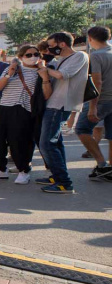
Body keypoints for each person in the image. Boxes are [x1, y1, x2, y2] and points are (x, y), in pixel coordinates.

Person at [36, 31, 89, 193]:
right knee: (56, 142)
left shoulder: (80, 56)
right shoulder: (61, 59)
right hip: (54, 103)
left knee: (46, 143)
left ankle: (64, 183)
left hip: (60, 105)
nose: (50, 49)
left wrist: (44, 69)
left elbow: (62, 75)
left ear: (62, 44)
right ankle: (57, 176)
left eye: (52, 46)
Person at [0, 45, 41, 184]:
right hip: (5, 106)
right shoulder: (13, 69)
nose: (32, 57)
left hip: (23, 108)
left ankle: (23, 171)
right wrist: (9, 73)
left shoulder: (41, 72)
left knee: (19, 140)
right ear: (21, 57)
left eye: (36, 54)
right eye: (28, 55)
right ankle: (0, 169)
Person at [76, 26, 112, 180]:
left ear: (90, 38)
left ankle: (102, 164)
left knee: (82, 129)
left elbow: (96, 82)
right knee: (111, 136)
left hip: (103, 100)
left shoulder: (96, 56)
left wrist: (92, 107)